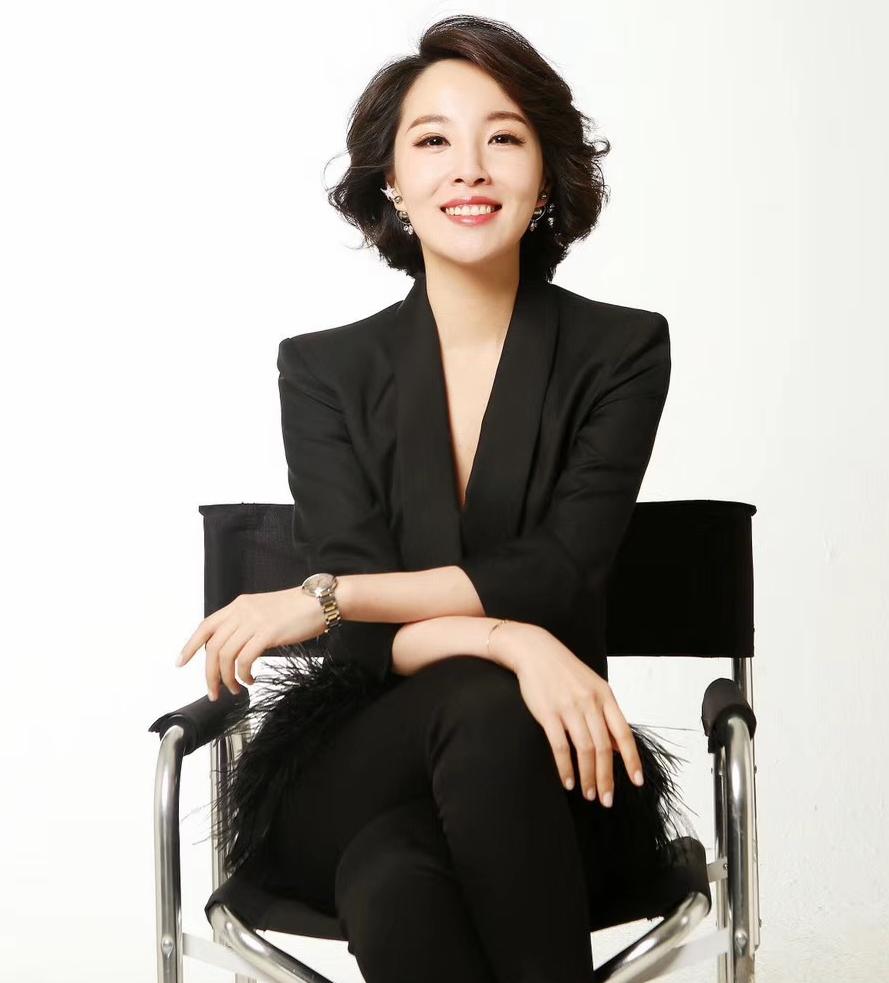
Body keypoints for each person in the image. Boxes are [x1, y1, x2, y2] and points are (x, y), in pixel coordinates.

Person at [177, 14, 691, 983]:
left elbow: (559, 571)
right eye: (432, 142)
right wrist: (511, 640)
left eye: (503, 137)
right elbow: (370, 643)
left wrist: (330, 597)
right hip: (357, 758)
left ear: (546, 175)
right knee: (481, 698)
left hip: (553, 769)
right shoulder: (323, 370)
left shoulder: (620, 350)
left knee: (394, 878)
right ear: (391, 183)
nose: (469, 169)